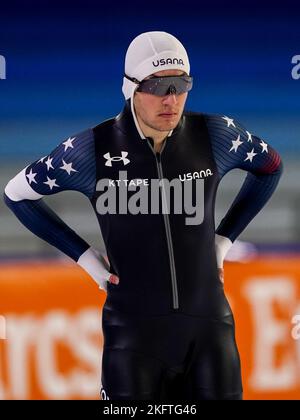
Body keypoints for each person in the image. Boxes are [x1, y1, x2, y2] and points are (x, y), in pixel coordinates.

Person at [4, 31, 283, 400]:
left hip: (210, 333)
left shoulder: (215, 134)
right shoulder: (91, 150)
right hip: (133, 341)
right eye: (158, 85)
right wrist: (86, 259)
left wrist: (222, 240)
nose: (171, 98)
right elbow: (16, 195)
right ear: (130, 88)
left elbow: (271, 168)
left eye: (181, 83)